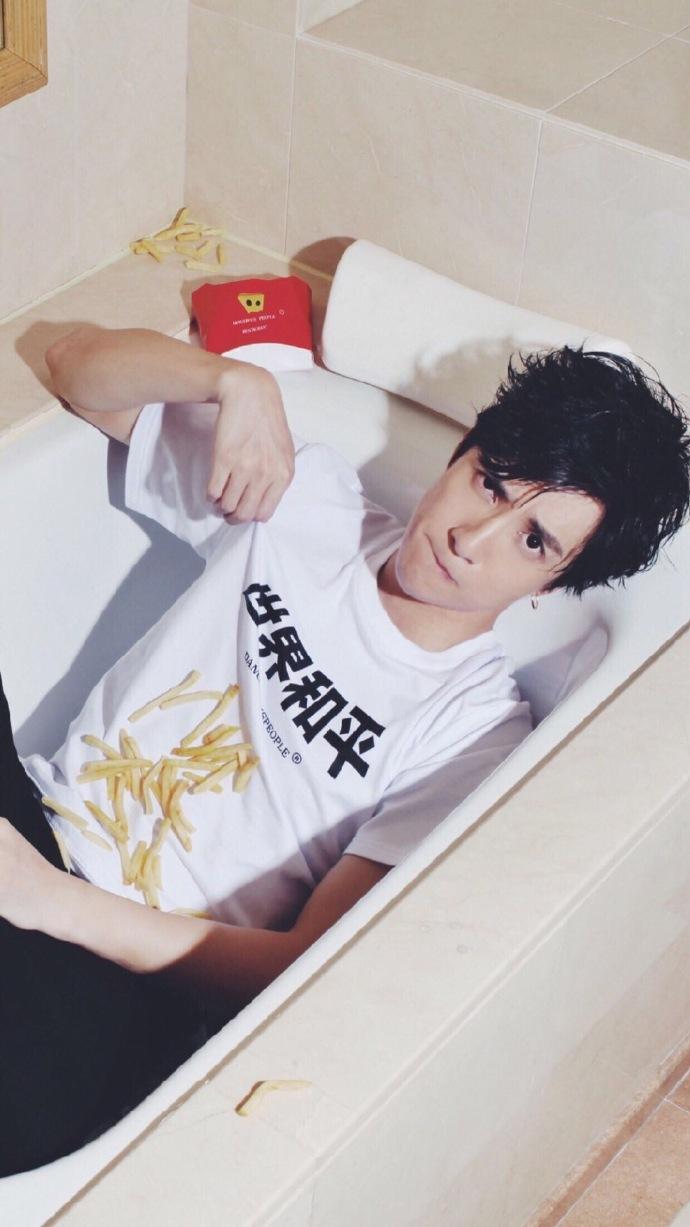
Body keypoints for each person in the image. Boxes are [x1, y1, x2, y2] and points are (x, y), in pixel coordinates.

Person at [0, 326, 688, 1177]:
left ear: (557, 583)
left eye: (534, 540)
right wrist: (233, 379)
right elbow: (73, 367)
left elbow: (303, 968)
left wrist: (51, 901)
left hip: (131, 980)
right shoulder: (308, 503)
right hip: (33, 824)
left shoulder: (472, 734)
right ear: (462, 453)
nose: (474, 537)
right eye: (492, 482)